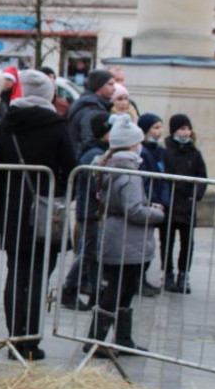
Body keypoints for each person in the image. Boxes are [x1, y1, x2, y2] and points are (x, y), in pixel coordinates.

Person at [0, 69, 76, 361]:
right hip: (47, 211)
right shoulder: (56, 125)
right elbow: (71, 168)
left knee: (16, 274)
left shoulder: (4, 126)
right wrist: (62, 195)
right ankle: (31, 340)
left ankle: (15, 338)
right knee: (40, 276)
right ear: (48, 94)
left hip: (14, 210)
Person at [85, 117, 164, 356]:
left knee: (124, 289)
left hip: (116, 235)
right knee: (118, 289)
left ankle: (122, 339)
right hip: (126, 240)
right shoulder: (129, 172)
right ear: (133, 144)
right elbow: (134, 210)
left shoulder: (108, 165)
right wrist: (157, 213)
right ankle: (96, 340)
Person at [61, 113, 111, 311]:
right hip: (90, 211)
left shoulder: (97, 151)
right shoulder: (94, 154)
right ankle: (70, 288)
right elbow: (94, 185)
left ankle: (93, 290)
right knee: (87, 252)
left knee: (91, 251)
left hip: (91, 210)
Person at [162, 114, 207, 294]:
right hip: (170, 204)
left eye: (188, 128)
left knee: (187, 242)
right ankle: (168, 273)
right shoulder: (166, 152)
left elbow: (202, 177)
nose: (185, 132)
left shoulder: (195, 154)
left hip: (187, 205)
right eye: (182, 128)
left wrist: (196, 194)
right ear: (174, 130)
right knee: (167, 241)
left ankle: (183, 274)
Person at [137, 112, 170, 295]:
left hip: (157, 202)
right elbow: (144, 181)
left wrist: (162, 201)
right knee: (142, 246)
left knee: (149, 245)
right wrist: (151, 201)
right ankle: (137, 280)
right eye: (155, 128)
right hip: (147, 203)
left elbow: (162, 178)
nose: (159, 132)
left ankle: (142, 278)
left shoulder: (159, 151)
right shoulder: (143, 151)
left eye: (160, 127)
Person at [66, 69, 115, 154]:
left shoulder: (88, 103)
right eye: (110, 84)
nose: (114, 88)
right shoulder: (92, 109)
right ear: (99, 86)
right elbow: (89, 138)